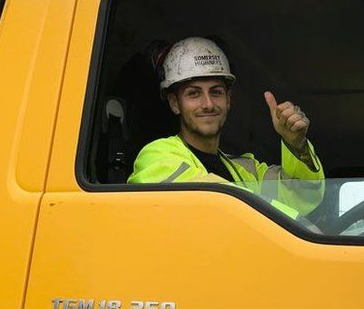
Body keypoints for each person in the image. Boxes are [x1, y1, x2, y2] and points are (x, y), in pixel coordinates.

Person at [127, 37, 323, 216]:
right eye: (194, 94)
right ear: (175, 104)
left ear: (228, 100)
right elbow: (216, 202)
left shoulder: (248, 170)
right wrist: (302, 226)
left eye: (216, 92)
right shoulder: (156, 156)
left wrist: (297, 146)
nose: (208, 104)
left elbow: (302, 198)